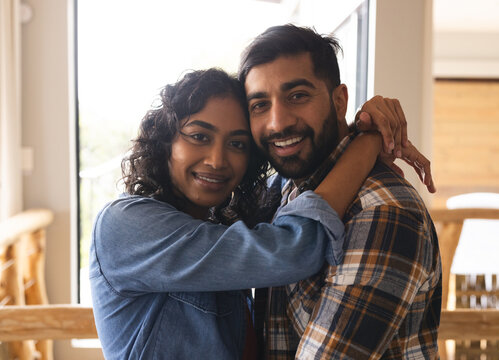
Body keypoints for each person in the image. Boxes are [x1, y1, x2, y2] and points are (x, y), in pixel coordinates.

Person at [89, 68, 415, 359]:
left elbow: (299, 168)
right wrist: (368, 142)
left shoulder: (226, 216)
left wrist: (367, 119)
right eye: (199, 137)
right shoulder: (123, 225)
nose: (217, 160)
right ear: (166, 142)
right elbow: (293, 249)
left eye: (238, 144)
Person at [239, 24, 441, 359]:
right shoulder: (279, 191)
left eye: (297, 96)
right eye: (260, 104)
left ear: (339, 101)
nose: (277, 122)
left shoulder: (383, 209)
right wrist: (370, 136)